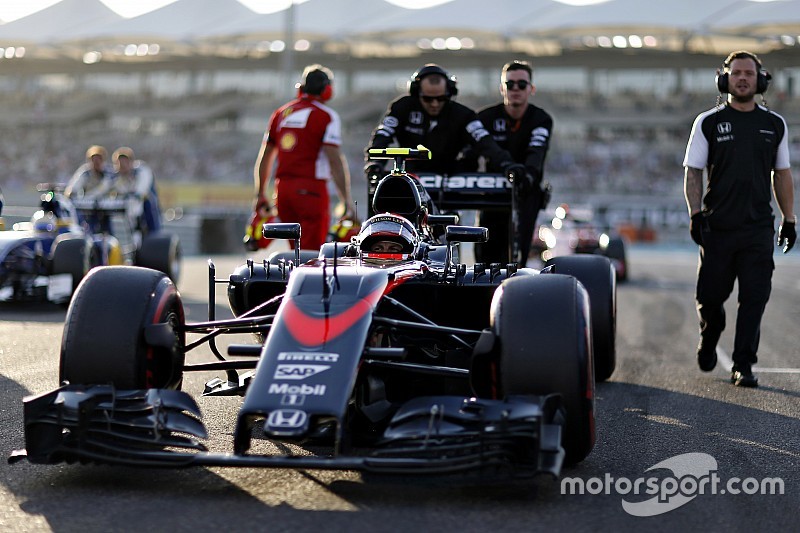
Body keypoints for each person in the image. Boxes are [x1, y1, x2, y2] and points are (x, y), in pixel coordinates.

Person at [683, 50, 796, 388]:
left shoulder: (774, 124)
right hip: (717, 227)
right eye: (736, 73)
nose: (743, 78)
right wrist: (695, 215)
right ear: (725, 79)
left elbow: (783, 174)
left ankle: (743, 364)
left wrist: (789, 219)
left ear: (760, 80)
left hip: (757, 228)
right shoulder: (708, 122)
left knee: (755, 297)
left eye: (749, 73)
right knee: (710, 298)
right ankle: (710, 334)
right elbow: (693, 173)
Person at [364, 64, 518, 216]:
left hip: (451, 180)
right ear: (416, 92)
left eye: (441, 98)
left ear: (450, 93)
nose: (435, 104)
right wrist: (375, 162)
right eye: (428, 99)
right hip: (411, 177)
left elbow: (485, 142)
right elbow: (383, 134)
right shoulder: (402, 107)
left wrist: (507, 165)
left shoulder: (464, 115)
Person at [253, 64, 355, 251]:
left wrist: (260, 193)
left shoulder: (280, 113)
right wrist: (346, 199)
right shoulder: (327, 116)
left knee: (296, 251)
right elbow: (335, 161)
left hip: (282, 190)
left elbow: (265, 157)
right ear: (327, 90)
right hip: (311, 190)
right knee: (312, 254)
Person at [473, 60, 553, 265]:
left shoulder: (541, 119)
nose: (515, 89)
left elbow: (537, 152)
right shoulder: (485, 118)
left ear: (531, 89)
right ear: (502, 88)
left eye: (522, 84)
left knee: (518, 255)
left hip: (526, 190)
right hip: (492, 192)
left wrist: (526, 176)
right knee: (485, 252)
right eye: (510, 84)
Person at [111, 146, 162, 235]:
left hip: (144, 208)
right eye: (119, 162)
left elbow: (141, 191)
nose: (122, 165)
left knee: (149, 201)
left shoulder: (142, 170)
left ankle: (153, 234)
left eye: (125, 161)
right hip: (129, 208)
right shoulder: (115, 177)